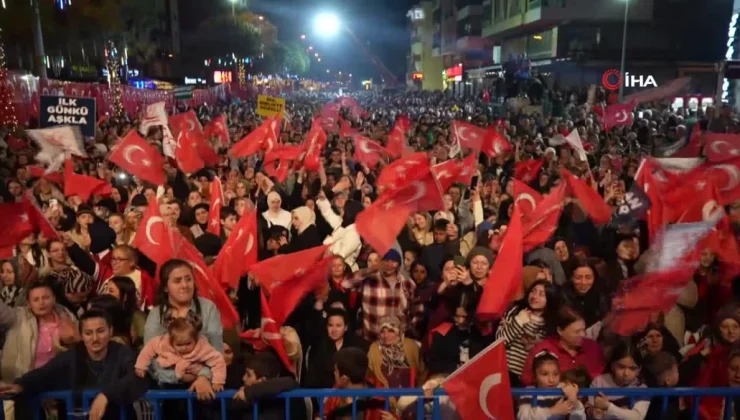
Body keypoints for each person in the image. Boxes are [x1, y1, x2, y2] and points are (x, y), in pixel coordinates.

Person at [0, 310, 147, 420]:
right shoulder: (73, 355)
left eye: (100, 331)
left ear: (110, 331)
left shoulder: (123, 352)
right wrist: (21, 385)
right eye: (88, 333)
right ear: (81, 335)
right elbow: (45, 374)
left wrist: (106, 395)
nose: (95, 338)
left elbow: (137, 376)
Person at [144, 259, 223, 399]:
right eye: (177, 281)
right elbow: (150, 358)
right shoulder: (157, 314)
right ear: (166, 287)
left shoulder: (208, 308)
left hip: (206, 387)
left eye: (188, 279)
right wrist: (177, 376)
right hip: (168, 390)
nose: (185, 285)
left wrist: (203, 376)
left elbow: (217, 350)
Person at [136, 317, 227, 390]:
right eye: (179, 345)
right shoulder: (163, 343)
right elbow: (148, 349)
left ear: (195, 339)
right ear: (172, 342)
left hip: (195, 378)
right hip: (170, 379)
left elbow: (218, 360)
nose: (184, 348)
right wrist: (141, 366)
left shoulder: (202, 347)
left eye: (188, 343)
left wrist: (218, 381)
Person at [323, 347, 397, 420]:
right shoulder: (336, 392)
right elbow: (324, 414)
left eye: (336, 370)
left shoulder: (377, 399)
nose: (334, 373)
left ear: (344, 378)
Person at [589, 340, 650, 419]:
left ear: (639, 370)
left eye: (632, 368)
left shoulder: (642, 389)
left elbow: (637, 417)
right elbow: (588, 408)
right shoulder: (599, 382)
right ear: (612, 366)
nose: (626, 373)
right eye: (621, 367)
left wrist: (608, 406)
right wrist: (593, 412)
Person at [517, 351, 586, 420]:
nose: (551, 380)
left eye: (556, 374)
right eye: (544, 374)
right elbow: (523, 417)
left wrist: (574, 401)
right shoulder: (528, 392)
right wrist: (552, 411)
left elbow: (579, 418)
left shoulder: (564, 389)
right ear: (535, 376)